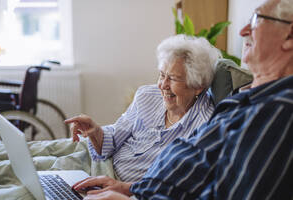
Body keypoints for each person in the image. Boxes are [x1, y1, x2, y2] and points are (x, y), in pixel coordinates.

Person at [72, 0, 293, 199]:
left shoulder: (279, 111)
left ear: (290, 36)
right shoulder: (245, 101)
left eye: (256, 20)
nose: (243, 31)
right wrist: (129, 189)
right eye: (162, 75)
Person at [65, 35, 221, 182]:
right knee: (43, 172)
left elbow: (178, 186)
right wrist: (95, 131)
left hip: (115, 187)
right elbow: (113, 139)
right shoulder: (147, 95)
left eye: (173, 78)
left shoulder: (204, 128)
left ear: (198, 86)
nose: (162, 85)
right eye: (162, 75)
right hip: (98, 161)